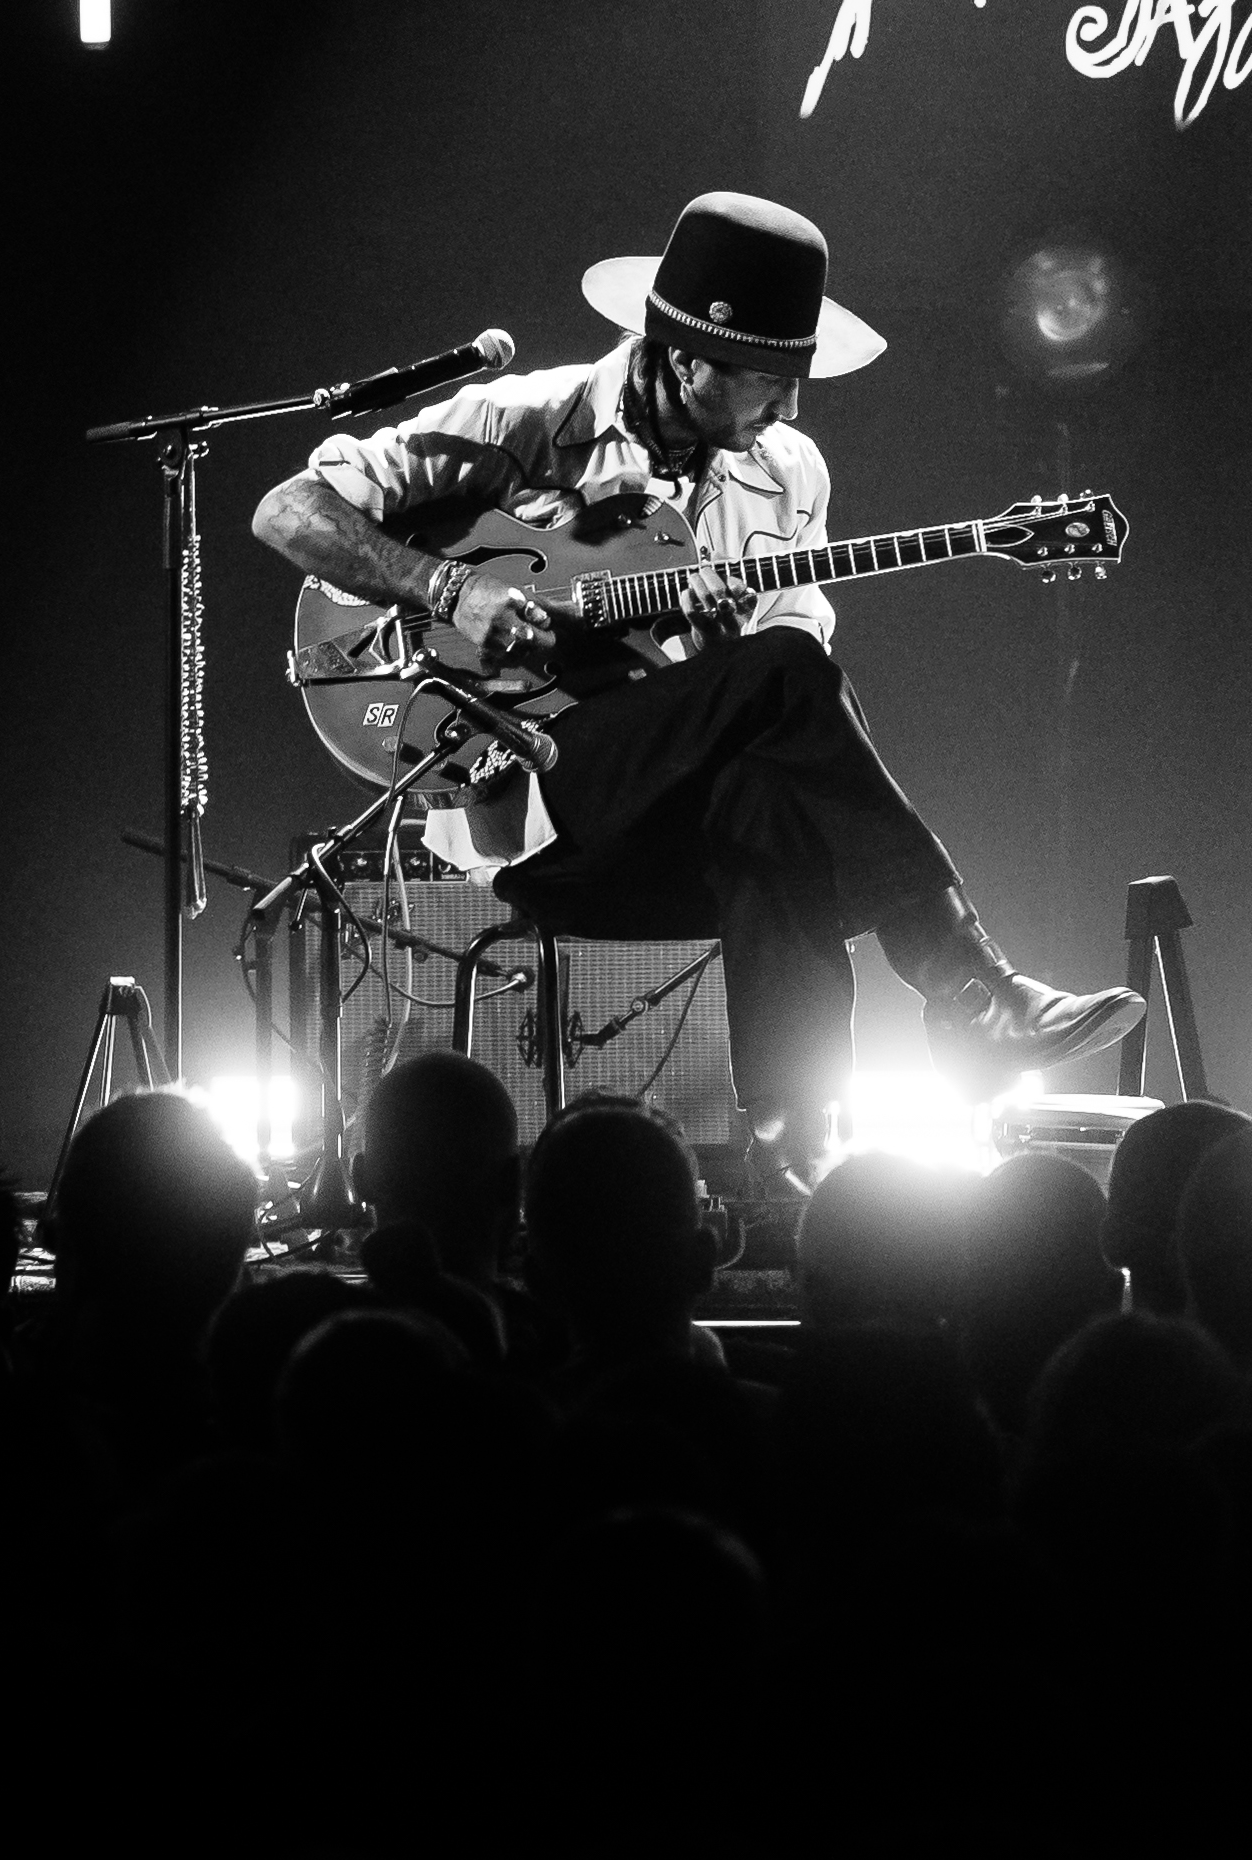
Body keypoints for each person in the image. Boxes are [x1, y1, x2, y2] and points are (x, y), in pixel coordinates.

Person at [253, 189, 1141, 1182]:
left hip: (672, 823)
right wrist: (450, 587)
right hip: (531, 794)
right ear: (688, 360)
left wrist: (719, 644)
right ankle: (971, 988)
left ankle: (790, 1165)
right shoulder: (529, 420)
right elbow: (291, 510)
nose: (791, 408)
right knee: (783, 681)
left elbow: (784, 658)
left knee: (773, 796)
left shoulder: (790, 473)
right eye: (772, 381)